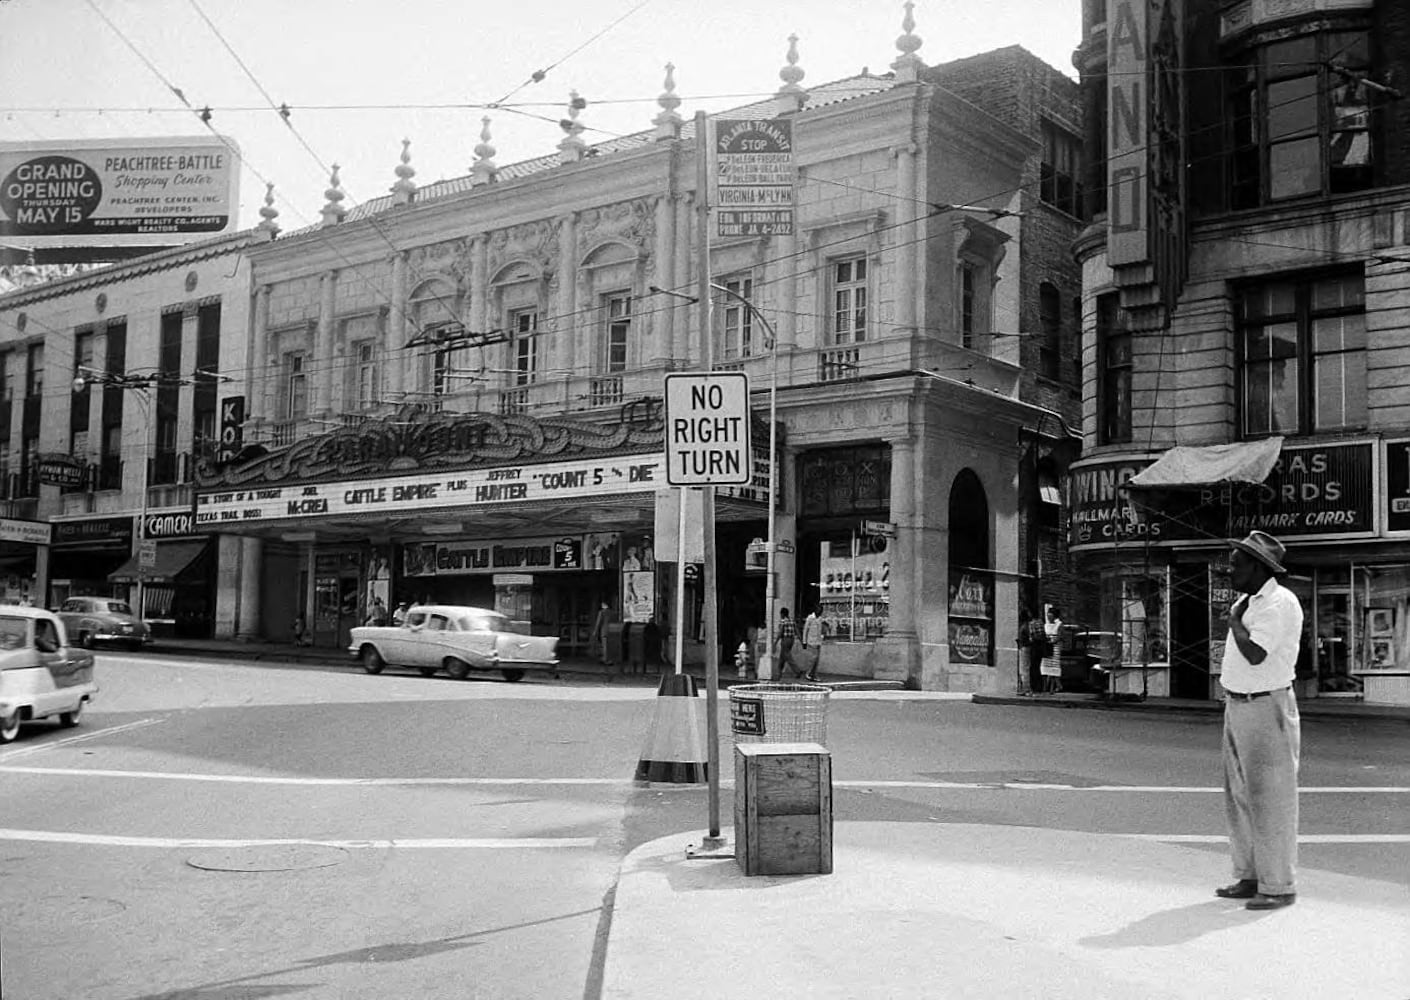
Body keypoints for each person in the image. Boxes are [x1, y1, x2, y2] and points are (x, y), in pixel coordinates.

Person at [1215, 530, 1304, 911]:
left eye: (1237, 563)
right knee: (1239, 796)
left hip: (1266, 704)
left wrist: (1234, 620)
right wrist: (1238, 612)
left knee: (1271, 798)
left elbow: (1255, 653)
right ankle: (1250, 875)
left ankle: (1278, 885)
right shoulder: (1249, 601)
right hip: (1237, 704)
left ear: (1258, 567)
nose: (1229, 568)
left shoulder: (1279, 602)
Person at [1039, 605, 1063, 693]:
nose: (1049, 618)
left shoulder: (1059, 624)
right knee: (1045, 666)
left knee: (1054, 667)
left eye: (1050, 616)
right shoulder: (1046, 625)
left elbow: (1060, 636)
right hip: (1047, 647)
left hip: (1055, 648)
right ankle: (1045, 687)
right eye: (1048, 616)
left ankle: (1053, 687)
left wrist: (1053, 641)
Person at [799, 605, 826, 682]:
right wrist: (804, 641)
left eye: (821, 610)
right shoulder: (810, 618)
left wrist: (821, 637)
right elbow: (805, 630)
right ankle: (808, 673)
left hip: (818, 642)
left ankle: (814, 675)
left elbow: (821, 630)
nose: (820, 612)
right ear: (815, 610)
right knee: (813, 659)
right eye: (819, 610)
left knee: (817, 660)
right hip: (811, 641)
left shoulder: (820, 619)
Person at [589, 600, 615, 666]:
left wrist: (595, 631)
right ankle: (610, 659)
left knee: (605, 645)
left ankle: (606, 659)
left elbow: (598, 622)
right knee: (610, 645)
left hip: (604, 630)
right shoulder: (612, 612)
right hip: (612, 630)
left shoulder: (602, 612)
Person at [775, 607, 797, 678]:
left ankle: (797, 670)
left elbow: (780, 632)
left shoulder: (783, 621)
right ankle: (779, 672)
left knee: (787, 656)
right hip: (791, 639)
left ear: (783, 614)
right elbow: (796, 630)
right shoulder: (792, 620)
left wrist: (775, 642)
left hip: (785, 640)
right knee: (782, 657)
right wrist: (801, 639)